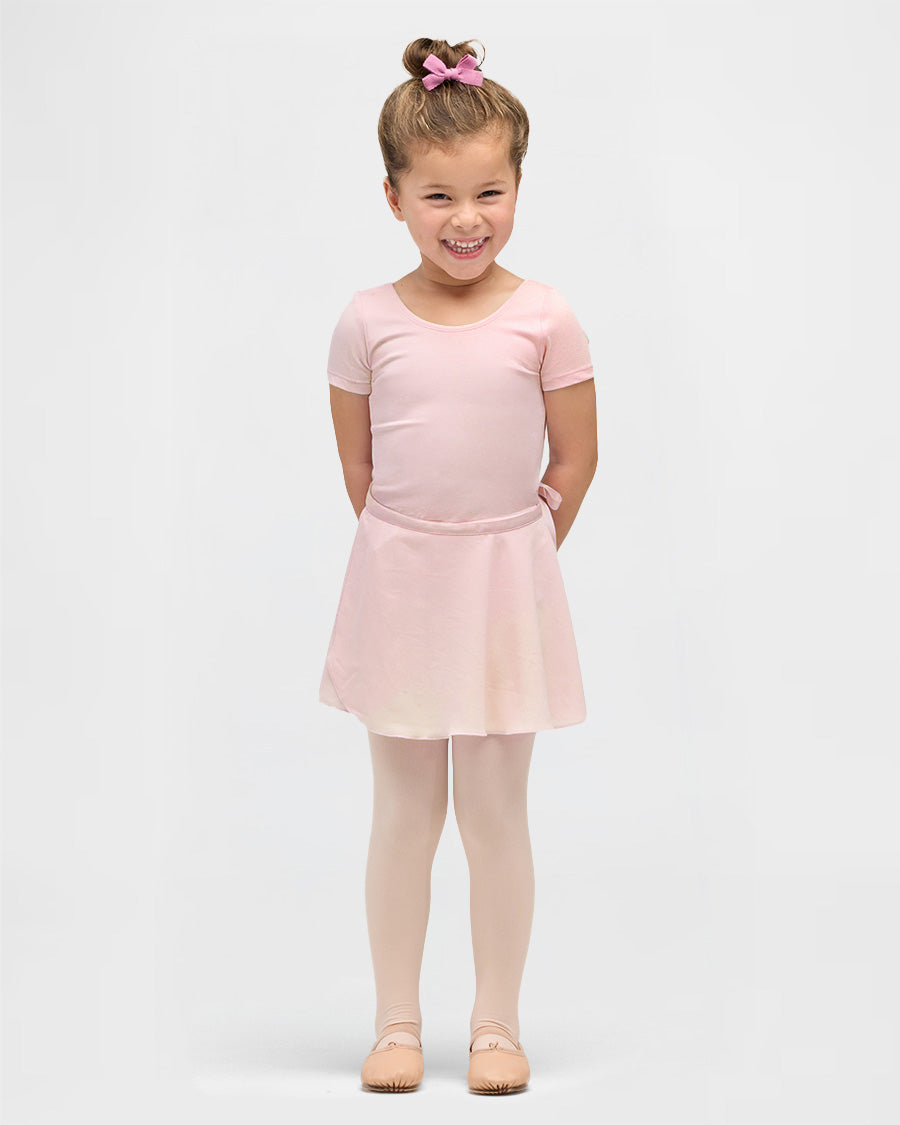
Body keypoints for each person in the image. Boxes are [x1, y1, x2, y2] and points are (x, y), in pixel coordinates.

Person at [318, 37, 598, 1095]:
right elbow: (361, 468)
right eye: (438, 195)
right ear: (393, 197)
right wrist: (420, 551)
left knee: (493, 812)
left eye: (489, 191)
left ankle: (494, 1025)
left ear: (519, 184)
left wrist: (509, 556)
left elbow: (574, 458)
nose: (466, 217)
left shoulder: (546, 316)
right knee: (404, 814)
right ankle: (395, 1021)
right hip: (400, 582)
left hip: (504, 586)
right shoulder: (366, 320)